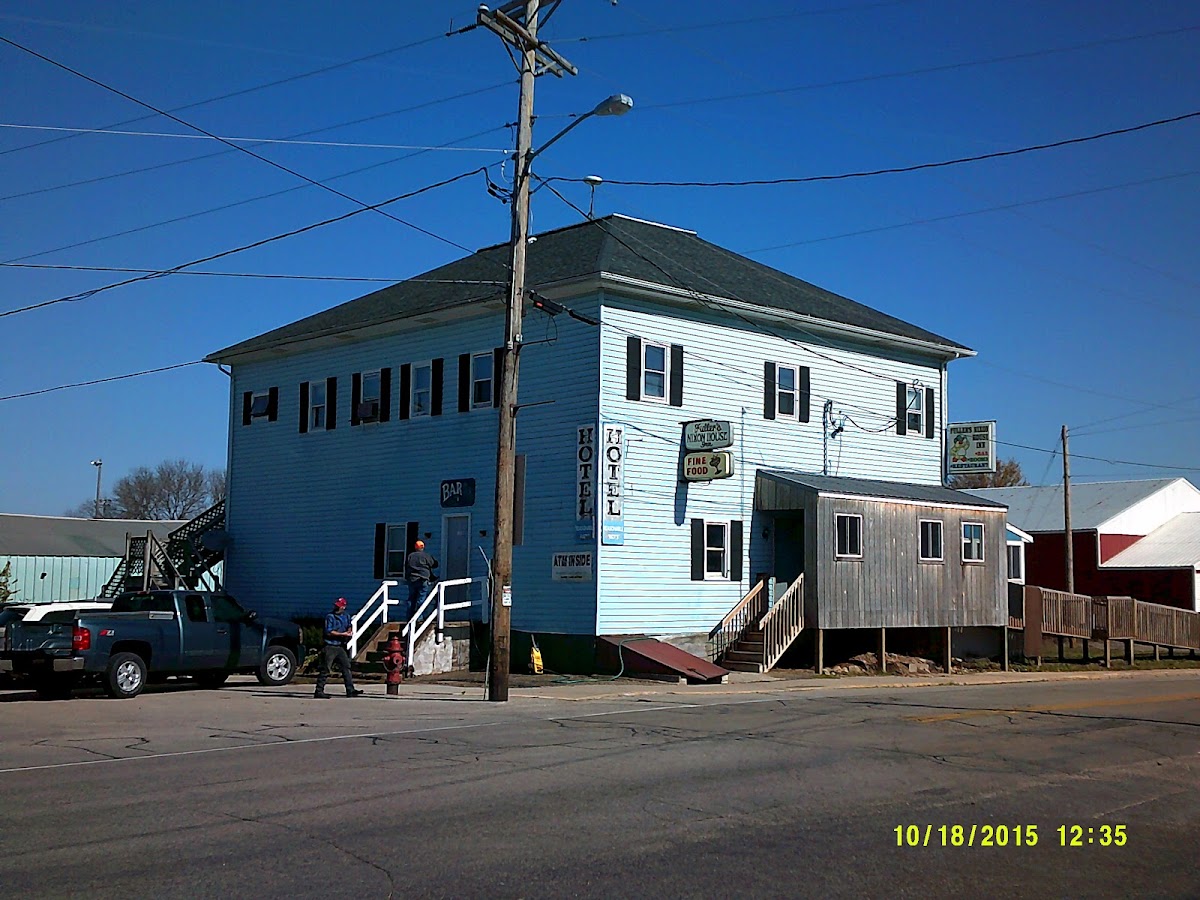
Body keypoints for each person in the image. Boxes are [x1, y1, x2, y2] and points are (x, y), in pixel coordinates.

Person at [314, 597, 365, 699]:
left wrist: (349, 631)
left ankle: (350, 690)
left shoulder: (346, 616)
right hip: (330, 645)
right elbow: (329, 631)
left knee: (346, 667)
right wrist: (342, 634)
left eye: (339, 606)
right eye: (336, 606)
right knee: (326, 669)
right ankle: (319, 691)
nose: (337, 608)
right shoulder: (330, 617)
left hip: (340, 646)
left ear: (344, 607)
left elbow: (349, 625)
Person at [404, 540, 439, 619]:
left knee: (411, 598)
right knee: (421, 598)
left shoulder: (410, 556)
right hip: (423, 579)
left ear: (415, 547)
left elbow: (406, 566)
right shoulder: (426, 556)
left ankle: (409, 616)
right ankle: (419, 617)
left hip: (412, 579)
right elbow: (434, 564)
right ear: (423, 547)